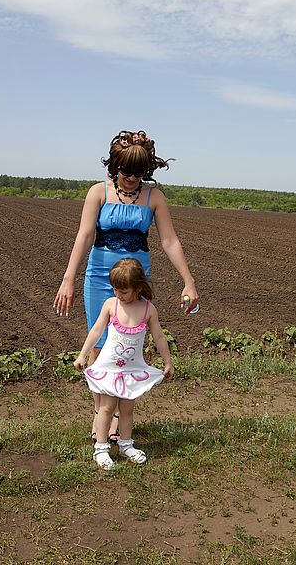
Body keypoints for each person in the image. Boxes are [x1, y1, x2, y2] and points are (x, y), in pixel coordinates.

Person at [53, 130, 198, 441]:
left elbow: (169, 240)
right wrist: (68, 279)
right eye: (127, 171)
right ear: (114, 166)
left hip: (136, 282)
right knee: (101, 345)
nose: (133, 178)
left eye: (140, 172)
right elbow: (85, 236)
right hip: (100, 279)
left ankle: (120, 413)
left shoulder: (154, 197)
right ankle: (102, 415)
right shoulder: (98, 193)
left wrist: (189, 280)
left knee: (128, 349)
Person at [74, 258, 174, 470]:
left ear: (138, 288)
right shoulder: (111, 305)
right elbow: (96, 331)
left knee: (127, 409)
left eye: (124, 291)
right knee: (107, 407)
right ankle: (101, 449)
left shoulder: (148, 310)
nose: (118, 295)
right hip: (111, 369)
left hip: (132, 369)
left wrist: (168, 362)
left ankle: (126, 445)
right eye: (115, 290)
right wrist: (82, 355)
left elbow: (159, 337)